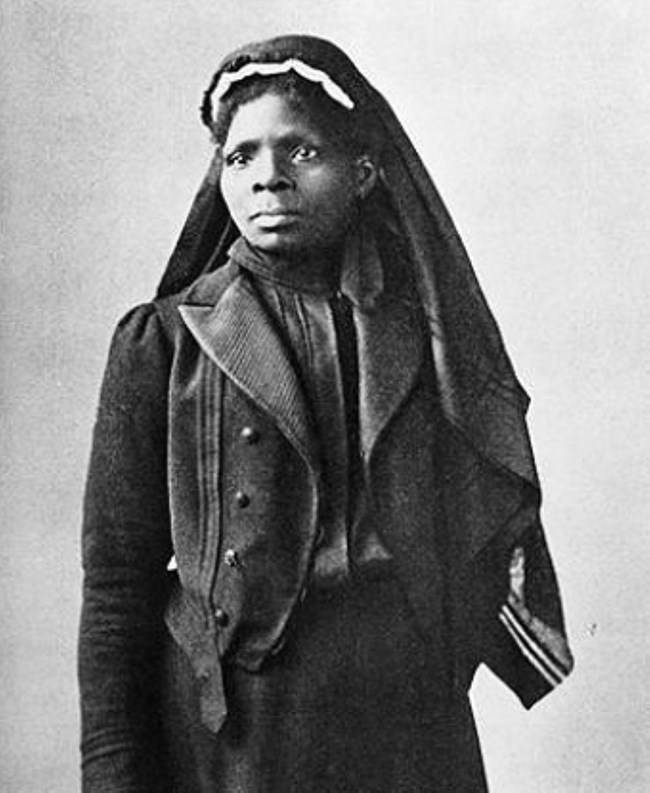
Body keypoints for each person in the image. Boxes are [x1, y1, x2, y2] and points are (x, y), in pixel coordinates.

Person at [78, 34, 574, 792]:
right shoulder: (165, 343)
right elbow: (117, 585)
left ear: (364, 171)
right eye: (241, 157)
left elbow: (472, 527)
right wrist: (113, 775)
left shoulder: (426, 338)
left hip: (407, 723)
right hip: (240, 738)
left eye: (301, 151)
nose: (267, 177)